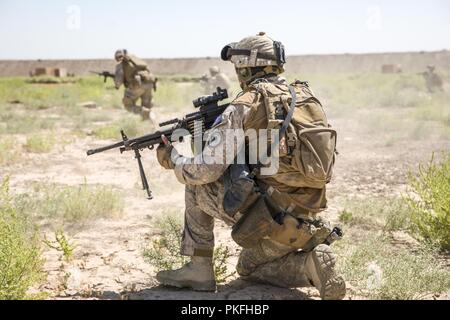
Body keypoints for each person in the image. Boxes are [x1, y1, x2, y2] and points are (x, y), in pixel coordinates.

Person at [155, 32, 346, 300]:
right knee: (251, 263)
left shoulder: (246, 105)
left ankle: (199, 270)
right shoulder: (304, 96)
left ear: (245, 67)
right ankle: (309, 264)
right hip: (309, 218)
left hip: (270, 219)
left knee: (196, 188)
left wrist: (173, 159)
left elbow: (205, 170)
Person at [113, 49, 157, 122]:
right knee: (147, 106)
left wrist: (116, 83)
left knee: (128, 105)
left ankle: (143, 111)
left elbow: (118, 82)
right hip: (149, 83)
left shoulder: (121, 64)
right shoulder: (135, 61)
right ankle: (152, 123)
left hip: (136, 85)